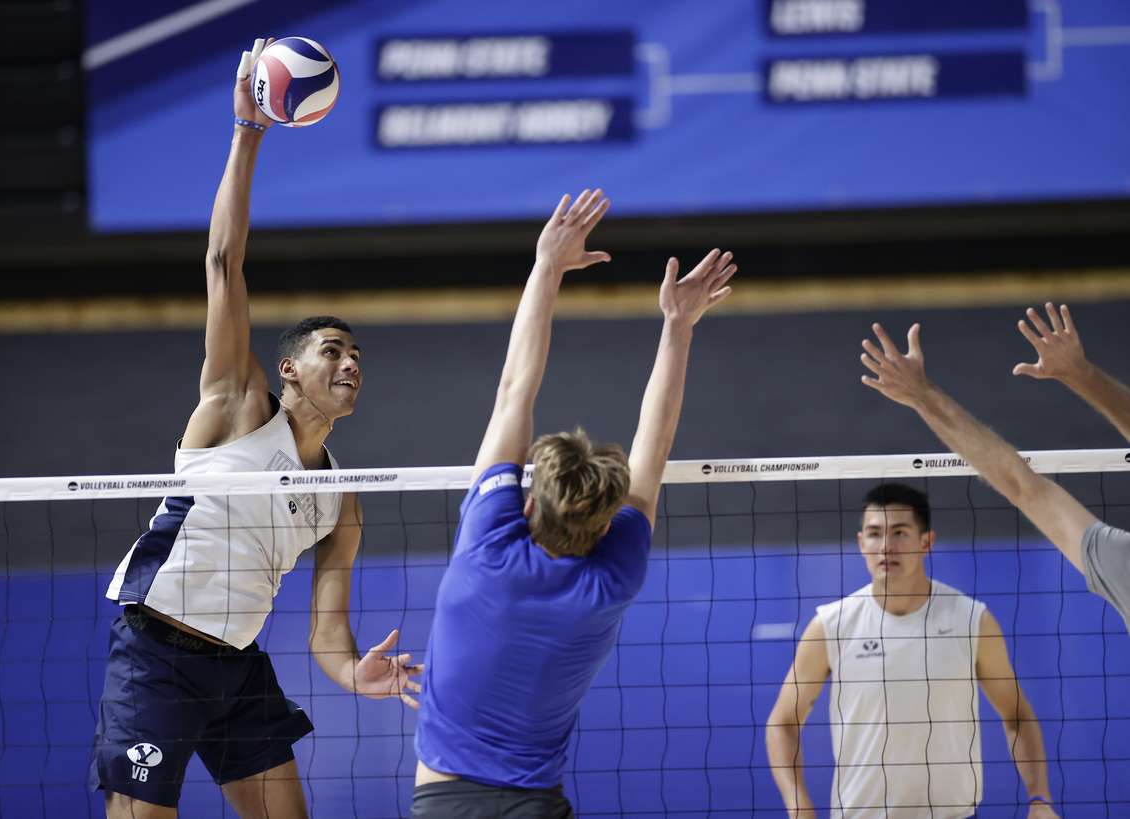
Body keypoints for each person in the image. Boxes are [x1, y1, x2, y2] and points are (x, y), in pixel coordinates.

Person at [89, 40, 419, 819]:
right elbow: (222, 262)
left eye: (358, 357)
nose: (350, 365)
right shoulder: (239, 402)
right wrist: (248, 133)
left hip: (238, 666)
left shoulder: (343, 500)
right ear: (292, 370)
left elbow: (326, 634)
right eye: (332, 351)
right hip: (157, 652)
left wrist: (353, 676)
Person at [410, 189, 737, 817]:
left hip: (444, 803)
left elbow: (515, 389)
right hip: (538, 804)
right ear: (607, 518)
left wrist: (547, 266)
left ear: (528, 505)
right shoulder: (614, 577)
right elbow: (656, 442)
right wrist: (677, 326)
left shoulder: (490, 545)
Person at [766, 484, 1058, 819]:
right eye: (875, 534)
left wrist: (1039, 799)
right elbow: (782, 722)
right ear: (861, 543)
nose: (886, 547)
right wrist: (798, 802)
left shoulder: (971, 620)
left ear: (926, 542)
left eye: (900, 533)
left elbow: (1017, 714)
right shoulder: (831, 626)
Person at [859, 311, 1128, 631]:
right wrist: (1080, 374)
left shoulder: (1121, 562)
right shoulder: (1120, 560)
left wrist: (924, 397)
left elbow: (1021, 486)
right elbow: (1021, 485)